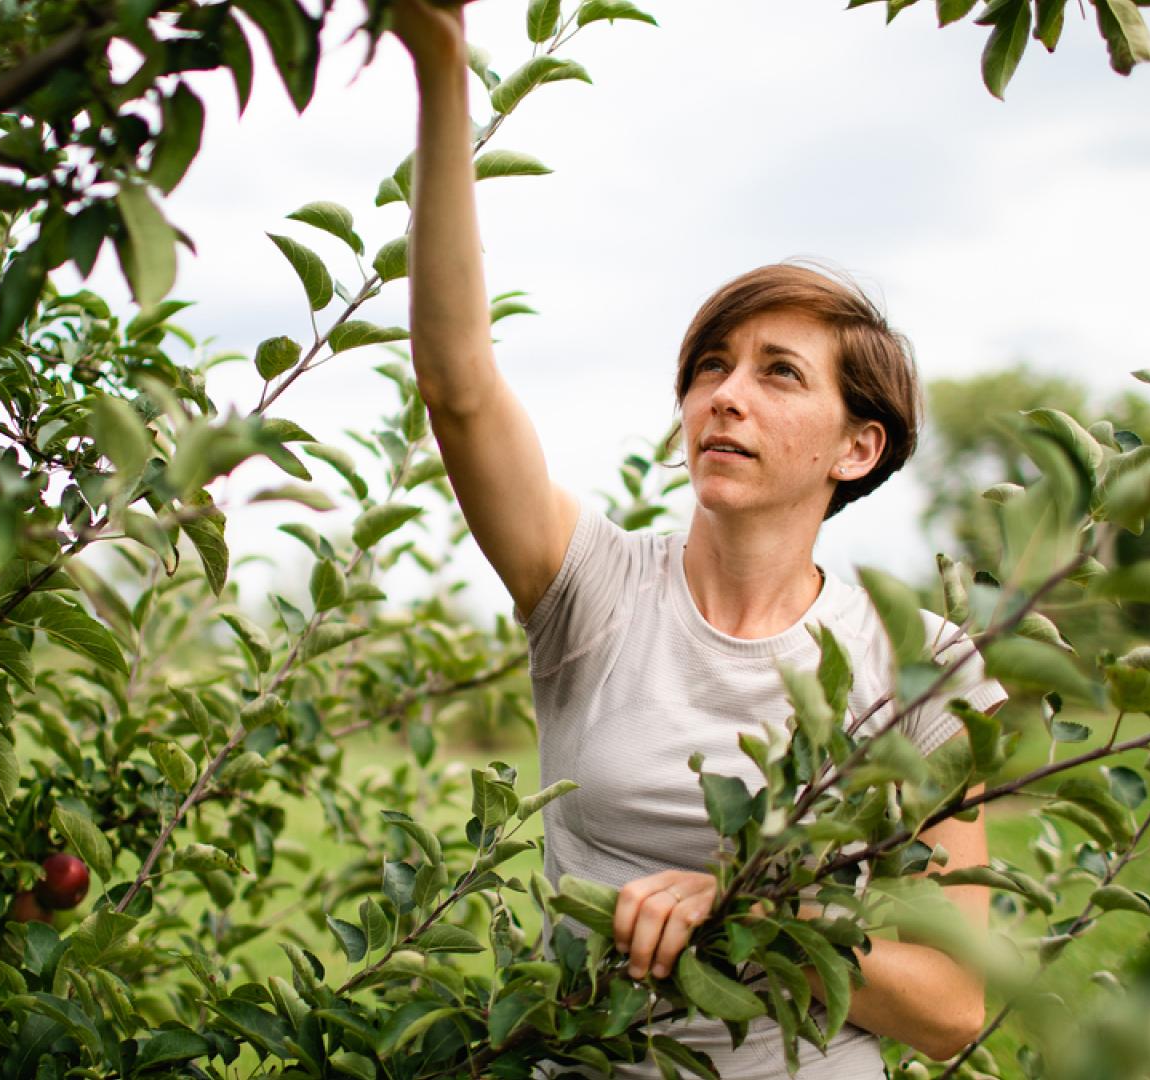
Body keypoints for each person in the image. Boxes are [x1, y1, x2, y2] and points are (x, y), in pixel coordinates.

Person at [386, 2, 1005, 1076]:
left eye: (778, 373)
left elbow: (952, 1008)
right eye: (710, 366)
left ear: (857, 448)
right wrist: (443, 69)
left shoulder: (921, 666)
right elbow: (459, 387)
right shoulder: (594, 594)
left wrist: (756, 918)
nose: (725, 396)